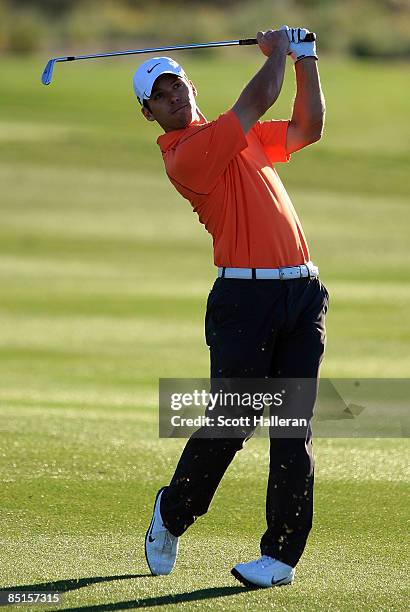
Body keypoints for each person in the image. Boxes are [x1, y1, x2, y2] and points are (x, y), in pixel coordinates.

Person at [133, 26, 328, 588]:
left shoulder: (232, 135)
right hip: (244, 300)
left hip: (300, 294)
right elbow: (259, 98)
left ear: (190, 85)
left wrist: (306, 59)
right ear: (150, 114)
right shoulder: (188, 153)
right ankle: (173, 513)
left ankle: (281, 558)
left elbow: (306, 129)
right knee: (233, 424)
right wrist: (279, 52)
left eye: (177, 86)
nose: (174, 97)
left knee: (293, 427)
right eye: (161, 96)